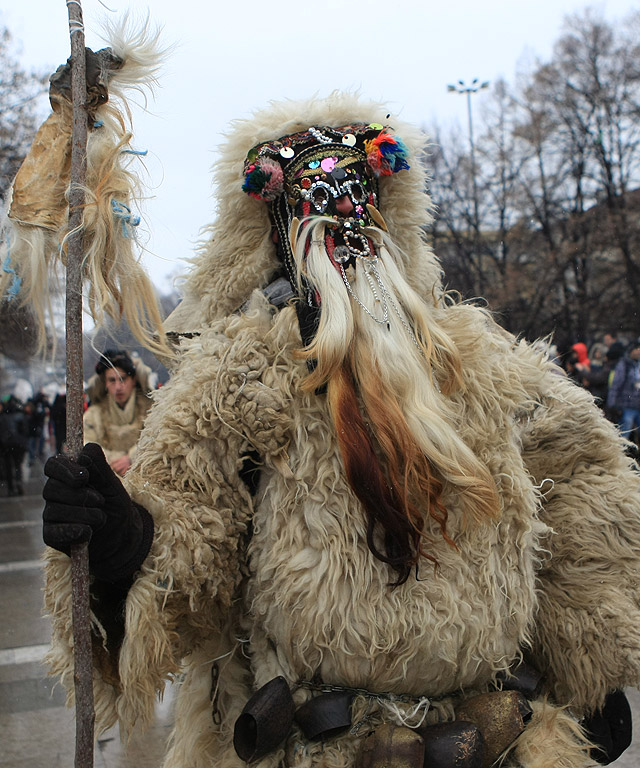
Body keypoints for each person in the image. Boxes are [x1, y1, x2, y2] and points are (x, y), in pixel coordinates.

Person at [40, 91, 640, 768]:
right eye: (315, 219)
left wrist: (593, 659)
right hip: (307, 740)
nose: (345, 242)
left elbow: (581, 484)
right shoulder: (238, 379)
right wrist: (123, 549)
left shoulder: (483, 366)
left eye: (361, 211)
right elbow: (186, 535)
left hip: (496, 736)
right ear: (274, 236)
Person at [83, 349, 153, 477]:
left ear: (133, 380)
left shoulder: (152, 410)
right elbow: (86, 445)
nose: (118, 387)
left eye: (123, 379)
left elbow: (158, 440)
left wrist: (132, 458)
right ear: (105, 383)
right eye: (112, 380)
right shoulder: (93, 415)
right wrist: (117, 462)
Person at [606, 338, 640, 442]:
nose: (638, 351)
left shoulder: (637, 365)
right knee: (624, 437)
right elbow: (616, 385)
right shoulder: (624, 364)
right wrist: (612, 404)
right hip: (626, 406)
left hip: (638, 406)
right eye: (636, 348)